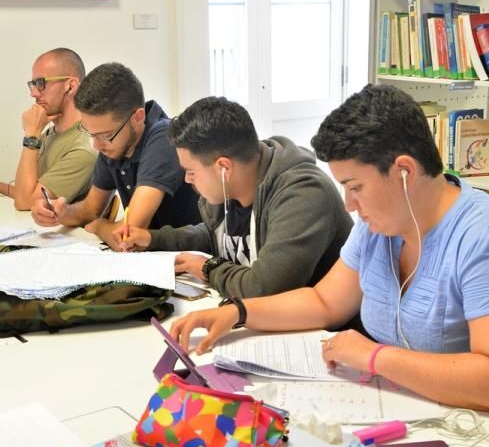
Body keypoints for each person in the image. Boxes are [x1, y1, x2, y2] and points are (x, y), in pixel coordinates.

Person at [169, 84, 489, 447]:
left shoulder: (476, 235)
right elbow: (324, 301)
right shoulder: (379, 224)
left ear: (405, 172)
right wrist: (239, 312)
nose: (349, 205)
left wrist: (374, 357)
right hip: (401, 436)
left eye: (355, 186)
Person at [112, 96, 353, 298]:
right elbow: (214, 234)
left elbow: (264, 288)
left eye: (191, 171)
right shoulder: (230, 187)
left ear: (223, 168)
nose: (187, 179)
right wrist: (153, 239)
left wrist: (209, 268)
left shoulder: (303, 194)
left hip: (318, 338)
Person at [31, 62, 200, 248]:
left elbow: (128, 233)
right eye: (90, 133)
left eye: (105, 135)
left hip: (185, 259)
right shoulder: (114, 142)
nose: (96, 145)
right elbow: (91, 209)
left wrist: (100, 226)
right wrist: (61, 212)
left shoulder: (164, 137)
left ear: (137, 117)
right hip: (149, 258)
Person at [0, 48, 96, 209]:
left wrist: (31, 134)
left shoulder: (84, 149)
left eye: (41, 83)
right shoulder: (51, 133)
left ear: (70, 86)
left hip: (58, 233)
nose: (34, 93)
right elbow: (26, 191)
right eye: (33, 84)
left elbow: (25, 203)